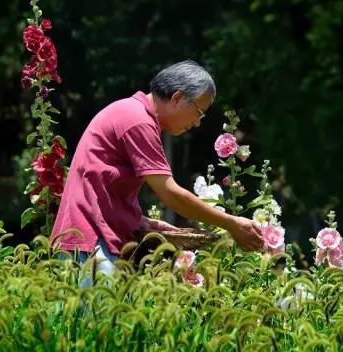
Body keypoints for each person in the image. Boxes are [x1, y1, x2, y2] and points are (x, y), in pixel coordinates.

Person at [50, 60, 263, 281]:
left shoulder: (133, 114)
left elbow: (101, 187)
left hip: (93, 240)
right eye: (199, 112)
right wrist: (231, 223)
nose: (198, 123)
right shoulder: (137, 120)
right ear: (178, 97)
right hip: (90, 242)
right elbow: (169, 193)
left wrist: (142, 222)